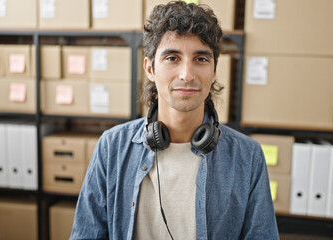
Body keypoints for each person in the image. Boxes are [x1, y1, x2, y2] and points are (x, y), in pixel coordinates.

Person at [70, 1, 279, 239]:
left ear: (214, 70)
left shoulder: (247, 157)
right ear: (149, 68)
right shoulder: (112, 147)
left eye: (200, 59)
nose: (187, 75)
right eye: (172, 58)